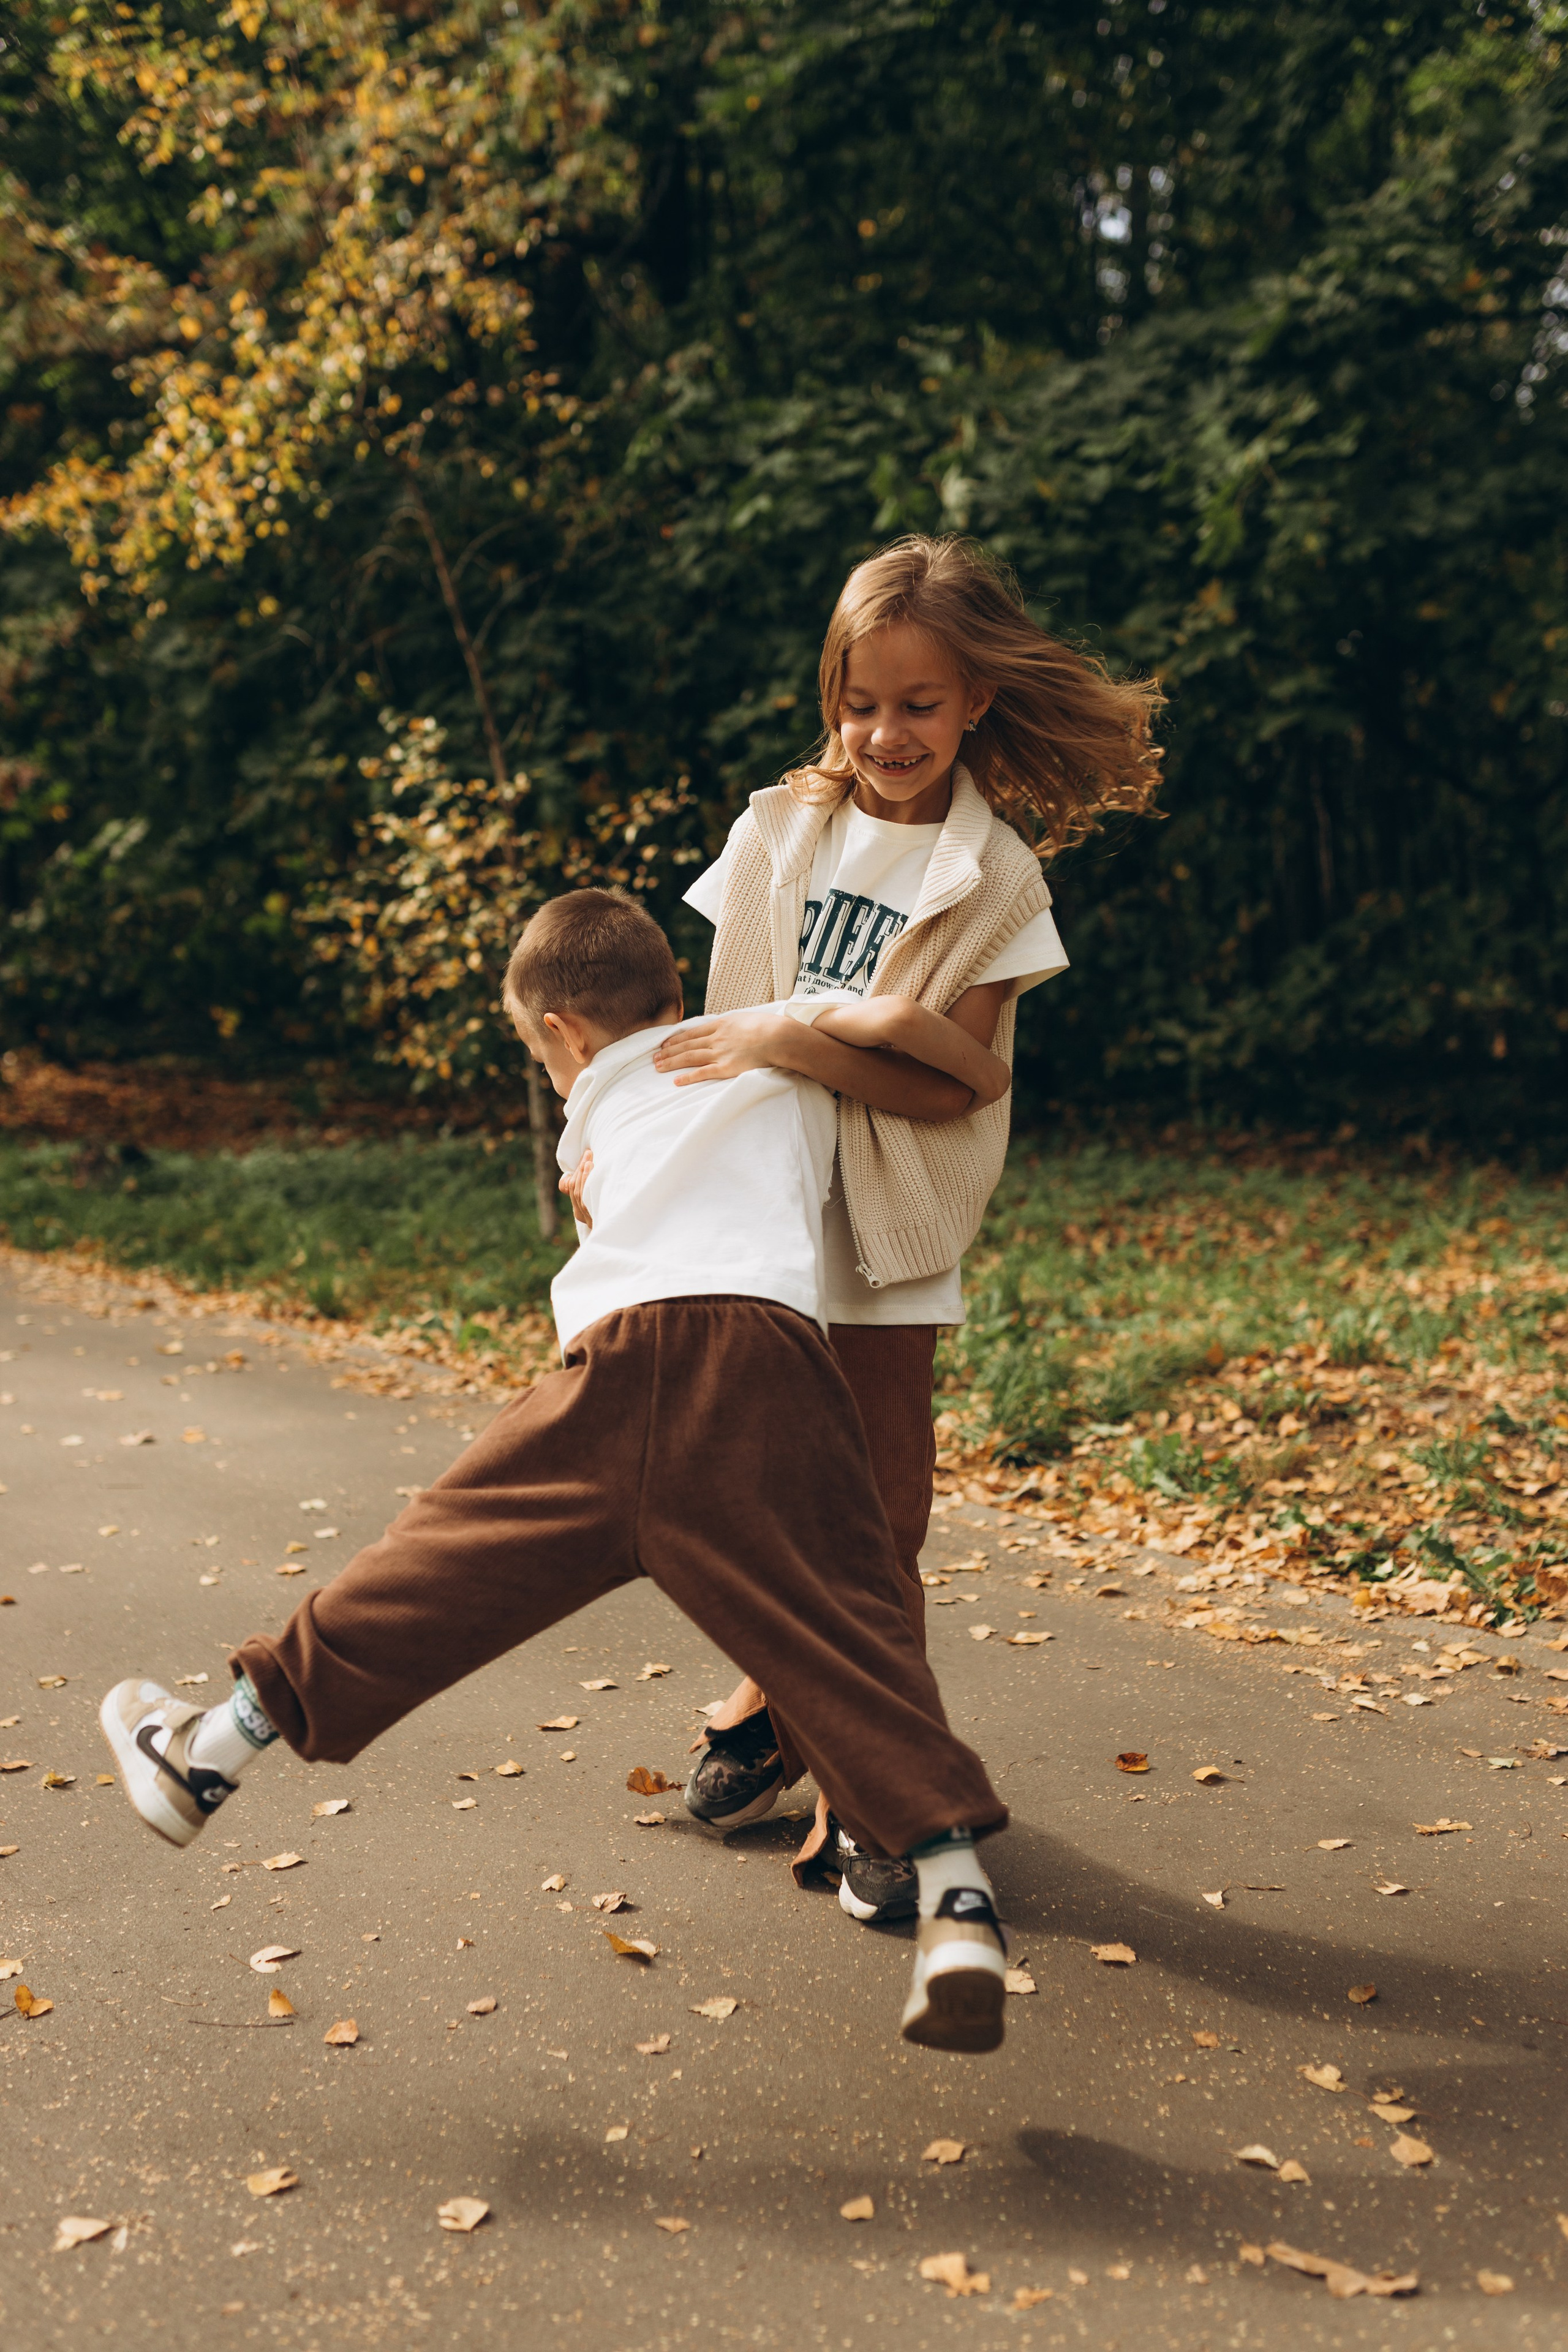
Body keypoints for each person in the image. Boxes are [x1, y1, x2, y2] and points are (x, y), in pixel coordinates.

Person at [99, 889, 1018, 2054]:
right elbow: (914, 1040)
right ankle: (956, 1906)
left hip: (628, 1369)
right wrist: (791, 1026)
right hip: (779, 1365)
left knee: (439, 1564)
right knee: (849, 1629)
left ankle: (211, 1753)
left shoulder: (588, 1108)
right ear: (677, 998)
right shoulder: (774, 1051)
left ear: (561, 1036)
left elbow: (605, 1176)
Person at [663, 533, 1162, 1921]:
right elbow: (702, 1032)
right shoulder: (772, 833)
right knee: (758, 1493)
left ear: (977, 700)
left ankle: (878, 1802)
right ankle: (771, 1710)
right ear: (831, 694)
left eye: (919, 705)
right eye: (860, 701)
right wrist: (644, 1133)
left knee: (878, 1514)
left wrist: (790, 1034)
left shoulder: (994, 876)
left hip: (888, 1227)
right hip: (756, 1214)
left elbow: (954, 1080)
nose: (885, 732)